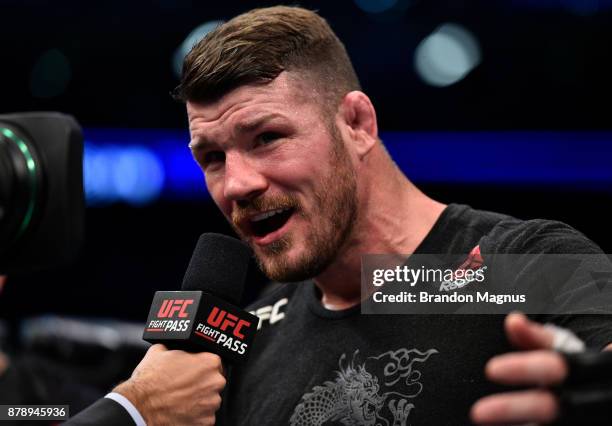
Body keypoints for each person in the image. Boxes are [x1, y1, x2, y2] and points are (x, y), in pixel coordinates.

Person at [67, 6, 612, 425]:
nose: (237, 184)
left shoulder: (513, 266)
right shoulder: (252, 335)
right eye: (212, 157)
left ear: (356, 123)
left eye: (267, 137)